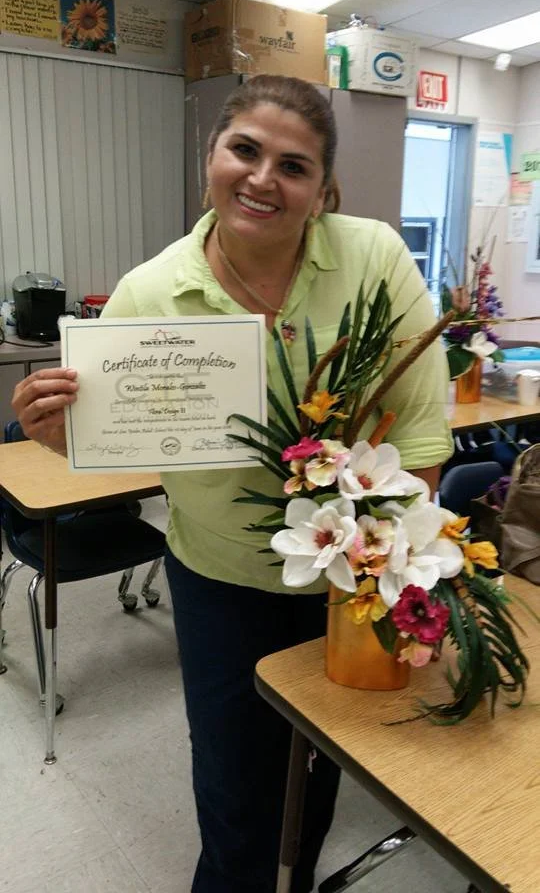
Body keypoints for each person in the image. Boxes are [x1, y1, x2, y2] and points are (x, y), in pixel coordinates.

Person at [12, 74, 453, 893]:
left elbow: (421, 429)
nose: (262, 178)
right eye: (244, 150)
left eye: (293, 166)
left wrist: (385, 575)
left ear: (323, 190)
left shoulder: (373, 257)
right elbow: (111, 432)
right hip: (220, 578)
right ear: (210, 156)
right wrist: (57, 429)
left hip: (348, 577)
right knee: (232, 775)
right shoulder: (150, 292)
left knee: (320, 765)